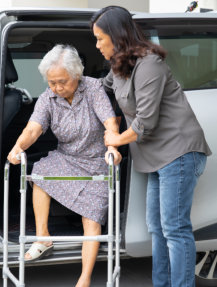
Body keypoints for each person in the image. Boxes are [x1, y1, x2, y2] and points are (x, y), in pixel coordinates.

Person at [91, 6, 212, 287]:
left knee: (174, 228)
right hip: (156, 157)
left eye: (99, 38)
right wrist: (67, 84)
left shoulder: (149, 65)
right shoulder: (119, 67)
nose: (96, 45)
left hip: (178, 152)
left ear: (117, 36)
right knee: (157, 229)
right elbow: (100, 87)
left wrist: (116, 139)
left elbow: (146, 121)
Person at [7, 44, 121, 287]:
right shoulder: (49, 98)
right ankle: (43, 238)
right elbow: (34, 128)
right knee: (40, 173)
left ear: (76, 75)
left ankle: (84, 279)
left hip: (95, 160)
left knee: (91, 219)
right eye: (51, 82)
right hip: (67, 157)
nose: (56, 88)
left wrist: (113, 146)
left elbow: (110, 121)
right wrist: (18, 147)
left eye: (61, 82)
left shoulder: (93, 88)